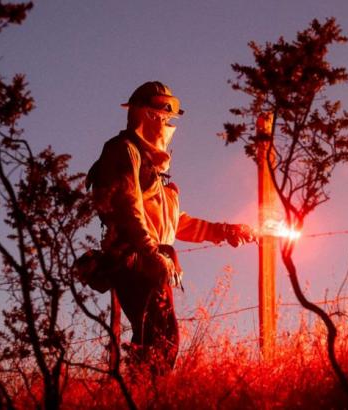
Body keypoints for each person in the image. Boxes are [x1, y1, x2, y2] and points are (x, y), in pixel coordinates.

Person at [86, 81, 255, 373]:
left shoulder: (155, 171)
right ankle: (147, 397)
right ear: (145, 115)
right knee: (159, 342)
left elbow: (175, 224)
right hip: (137, 259)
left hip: (152, 258)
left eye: (169, 119)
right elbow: (129, 207)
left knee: (158, 340)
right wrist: (151, 254)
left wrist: (225, 231)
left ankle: (144, 395)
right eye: (163, 117)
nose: (166, 124)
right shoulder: (124, 151)